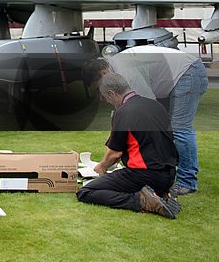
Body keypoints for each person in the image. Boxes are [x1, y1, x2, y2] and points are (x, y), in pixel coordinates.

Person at [88, 46, 208, 196]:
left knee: (179, 128)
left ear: (104, 74)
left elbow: (147, 106)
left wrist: (118, 145)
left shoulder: (127, 73)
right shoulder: (115, 69)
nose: (103, 96)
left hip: (188, 72)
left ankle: (187, 181)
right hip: (180, 71)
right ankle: (163, 167)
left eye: (100, 89)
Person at [76, 72, 179, 218]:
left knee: (86, 191)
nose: (107, 101)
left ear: (112, 93)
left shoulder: (124, 112)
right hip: (169, 173)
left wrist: (101, 167)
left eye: (105, 97)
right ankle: (161, 193)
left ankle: (141, 201)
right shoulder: (155, 105)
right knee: (115, 183)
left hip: (144, 174)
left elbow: (115, 153)